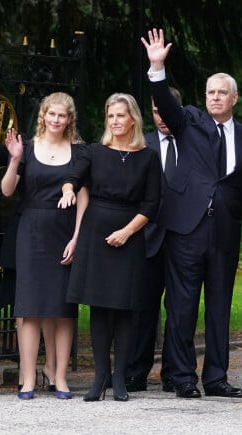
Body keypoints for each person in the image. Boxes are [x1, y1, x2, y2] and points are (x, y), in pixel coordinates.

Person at [141, 29, 242, 399]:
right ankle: (182, 377)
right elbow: (164, 104)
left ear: (234, 98)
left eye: (221, 92)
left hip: (225, 232)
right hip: (185, 229)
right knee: (181, 306)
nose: (214, 97)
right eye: (210, 91)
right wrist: (157, 67)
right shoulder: (190, 121)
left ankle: (216, 378)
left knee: (219, 308)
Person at [58, 93, 161, 402]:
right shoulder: (94, 152)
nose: (115, 121)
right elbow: (72, 178)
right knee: (99, 307)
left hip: (129, 235)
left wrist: (127, 232)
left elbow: (152, 204)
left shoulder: (148, 156)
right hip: (96, 234)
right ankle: (99, 376)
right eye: (111, 116)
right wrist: (67, 191)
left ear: (133, 119)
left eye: (120, 115)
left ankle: (120, 379)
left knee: (125, 308)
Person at [0, 92, 88, 400]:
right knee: (29, 308)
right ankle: (27, 378)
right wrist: (13, 159)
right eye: (51, 114)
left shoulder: (79, 152)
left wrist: (77, 237)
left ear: (69, 119)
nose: (56, 119)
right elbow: (8, 190)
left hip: (63, 233)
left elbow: (84, 197)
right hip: (31, 231)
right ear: (43, 115)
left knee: (63, 308)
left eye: (62, 115)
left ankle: (60, 377)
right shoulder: (27, 147)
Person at [124, 87, 183, 394]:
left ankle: (173, 372)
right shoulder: (140, 143)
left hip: (183, 239)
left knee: (179, 309)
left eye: (167, 110)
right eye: (156, 111)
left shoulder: (191, 143)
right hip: (146, 238)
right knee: (142, 310)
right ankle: (136, 372)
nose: (161, 117)